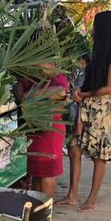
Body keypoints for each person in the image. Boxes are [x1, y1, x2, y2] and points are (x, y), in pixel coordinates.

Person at [56, 10, 111, 211]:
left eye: (96, 26)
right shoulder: (99, 52)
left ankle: (92, 199)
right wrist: (80, 92)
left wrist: (85, 95)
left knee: (98, 154)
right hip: (87, 106)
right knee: (74, 149)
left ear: (104, 28)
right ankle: (72, 195)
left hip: (100, 108)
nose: (93, 30)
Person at [15, 66, 68, 197]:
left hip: (50, 131)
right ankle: (37, 206)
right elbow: (17, 89)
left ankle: (45, 209)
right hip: (34, 131)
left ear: (52, 63)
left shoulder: (59, 79)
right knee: (37, 172)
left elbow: (59, 92)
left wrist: (28, 95)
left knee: (47, 173)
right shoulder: (32, 79)